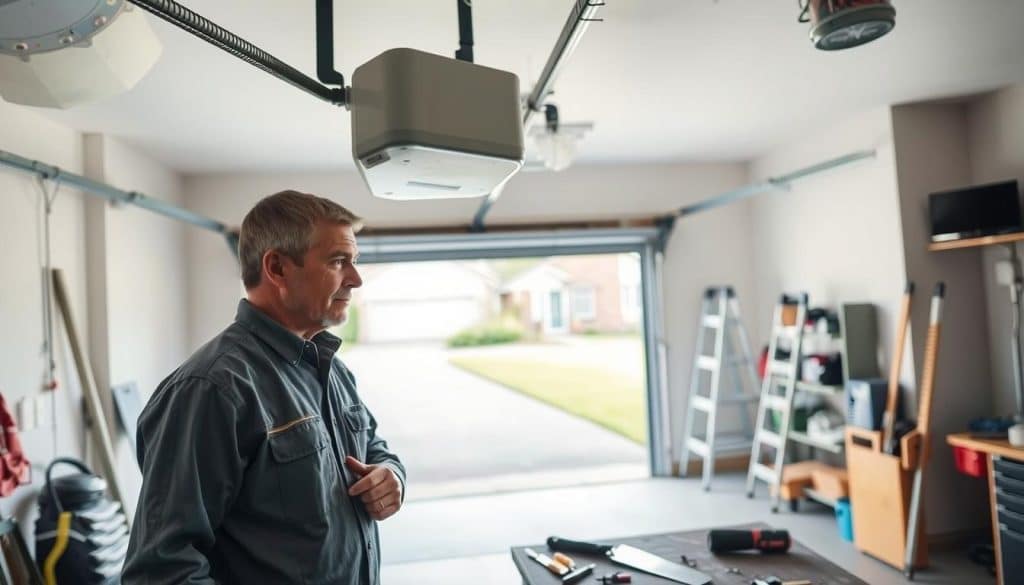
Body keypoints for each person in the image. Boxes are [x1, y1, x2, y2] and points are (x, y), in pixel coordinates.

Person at [123, 190, 405, 584]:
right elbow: (163, 570)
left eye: (354, 262)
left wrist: (392, 475)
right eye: (338, 261)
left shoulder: (330, 368)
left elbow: (374, 448)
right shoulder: (212, 388)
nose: (355, 280)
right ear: (277, 268)